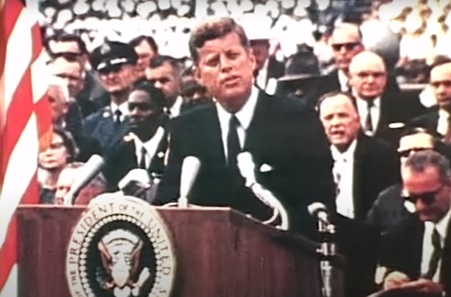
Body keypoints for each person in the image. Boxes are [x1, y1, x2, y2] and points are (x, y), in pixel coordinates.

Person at [154, 17, 335, 238]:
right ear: (198, 75)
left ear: (251, 60)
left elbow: (319, 200)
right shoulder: (187, 128)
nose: (226, 67)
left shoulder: (296, 117)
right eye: (213, 62)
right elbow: (167, 205)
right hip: (210, 258)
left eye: (233, 56)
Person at [379, 150, 451, 297]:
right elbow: (386, 264)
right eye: (411, 199)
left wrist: (443, 293)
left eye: (428, 198)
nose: (420, 207)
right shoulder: (403, 231)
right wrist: (390, 277)